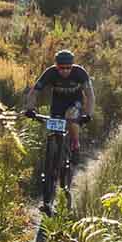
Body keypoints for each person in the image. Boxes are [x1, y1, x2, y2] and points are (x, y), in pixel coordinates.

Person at [26, 49, 94, 203]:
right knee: (53, 127)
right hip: (57, 104)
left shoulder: (80, 73)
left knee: (71, 116)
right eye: (61, 67)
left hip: (74, 103)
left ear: (72, 65)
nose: (65, 70)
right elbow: (34, 92)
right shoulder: (50, 73)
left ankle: (75, 144)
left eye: (68, 67)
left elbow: (90, 95)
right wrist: (30, 109)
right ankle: (52, 156)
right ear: (56, 66)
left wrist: (88, 114)